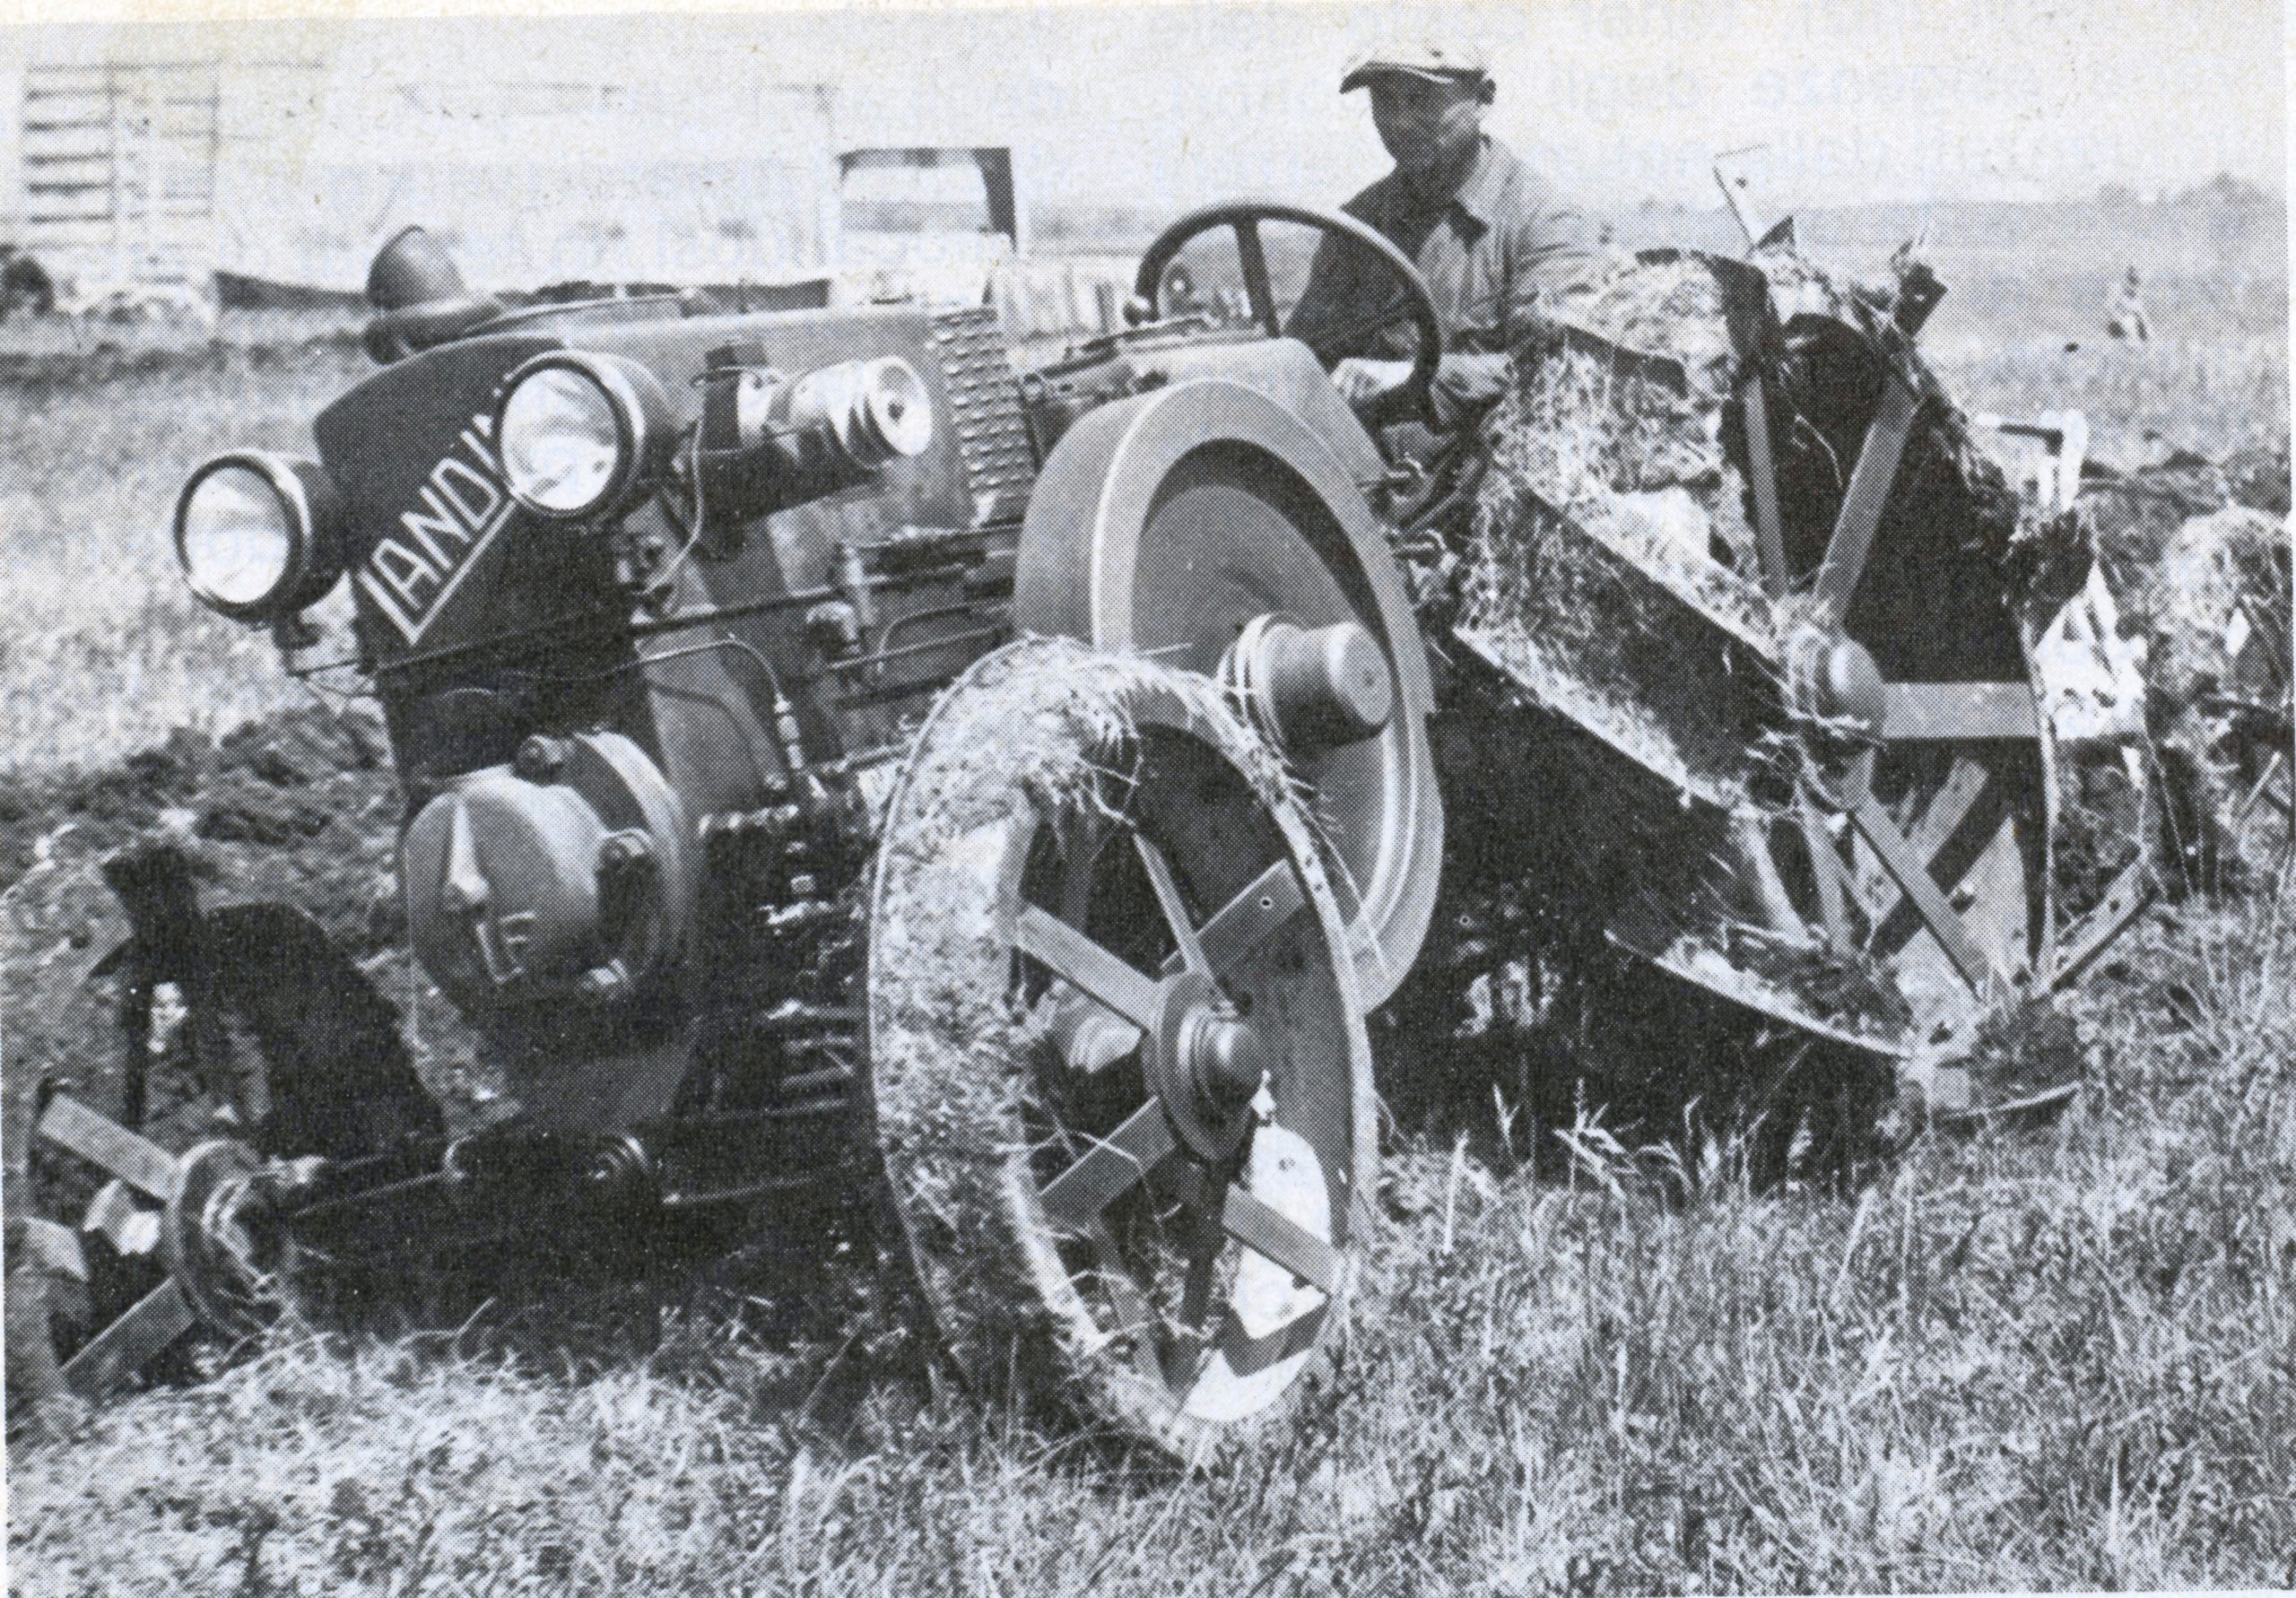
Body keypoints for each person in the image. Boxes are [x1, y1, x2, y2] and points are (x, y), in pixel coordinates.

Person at [1285, 38, 1604, 425]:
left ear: (1483, 100)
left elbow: (1559, 369)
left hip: (1482, 461)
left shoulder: (1545, 220)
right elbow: (1303, 356)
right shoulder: (1356, 224)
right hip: (1360, 460)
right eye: (1384, 101)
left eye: (1420, 98)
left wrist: (1416, 375)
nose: (1399, 121)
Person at [2107, 265, 2151, 343]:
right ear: (2126, 280)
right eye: (2131, 281)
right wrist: (2122, 319)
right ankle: (2131, 342)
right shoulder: (2117, 290)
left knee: (2144, 327)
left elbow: (2142, 314)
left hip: (2132, 327)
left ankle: (2136, 343)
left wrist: (2148, 331)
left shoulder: (2137, 296)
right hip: (2117, 326)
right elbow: (2108, 308)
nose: (2133, 285)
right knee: (2130, 319)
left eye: (2136, 282)